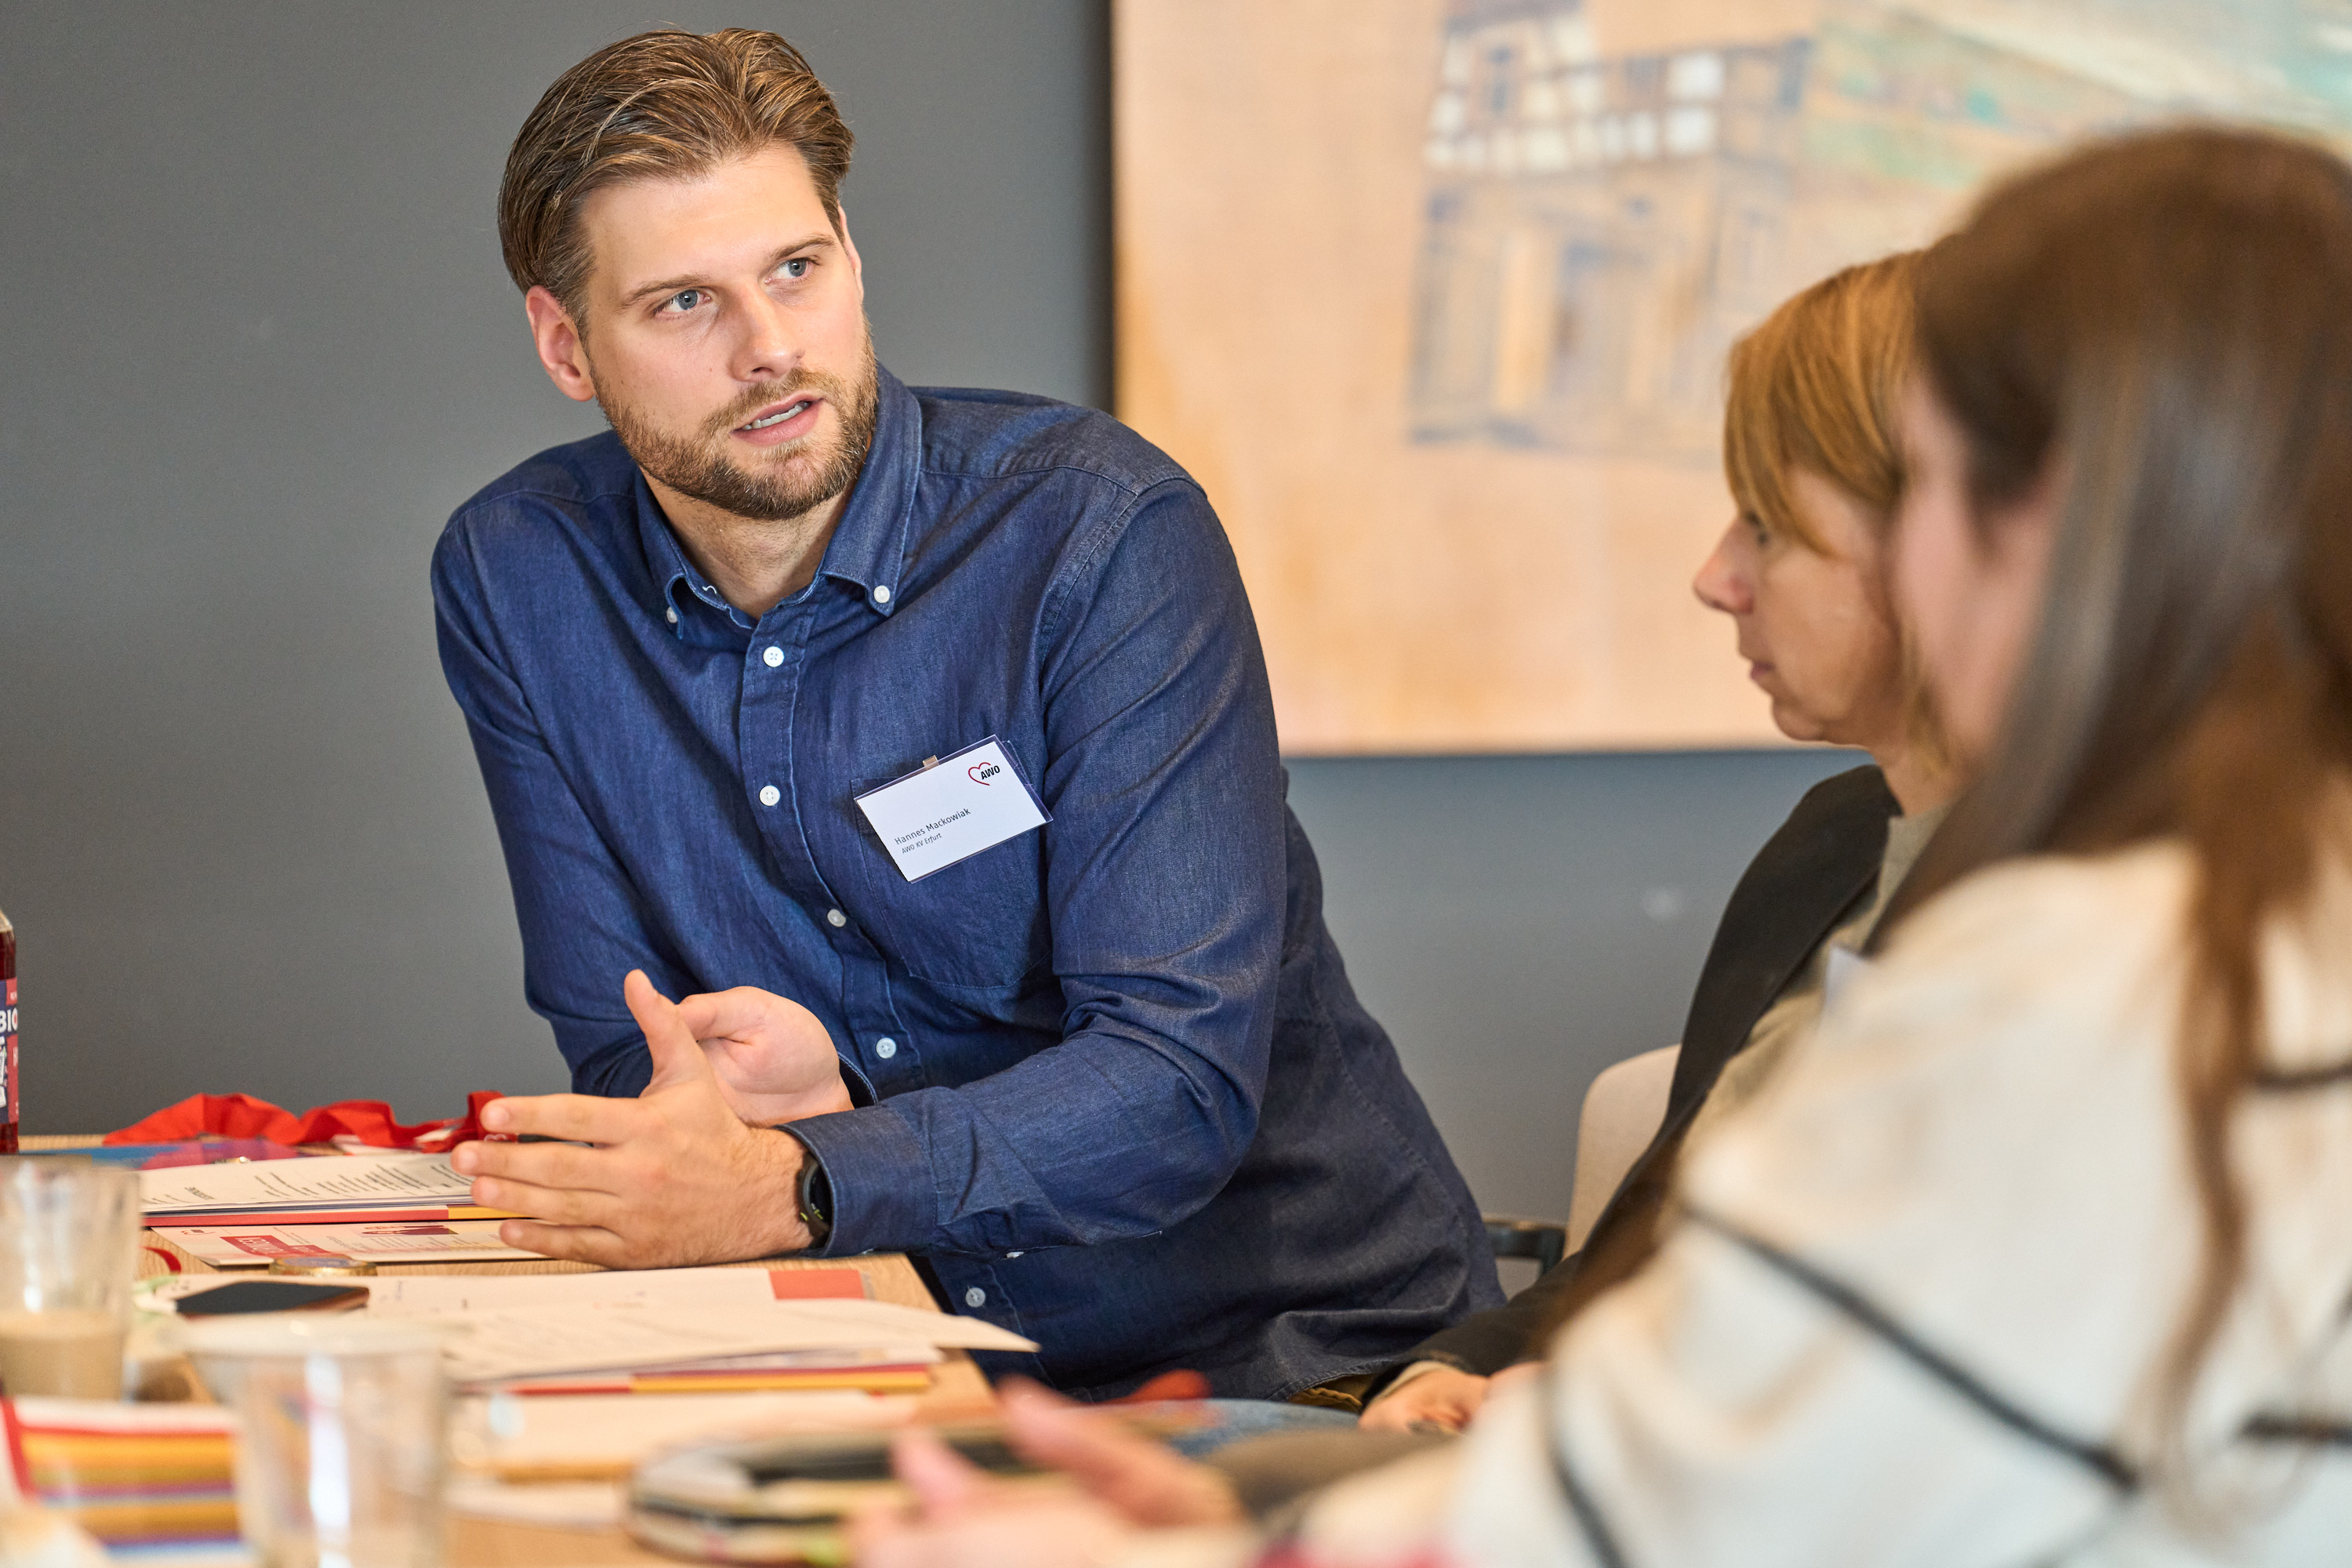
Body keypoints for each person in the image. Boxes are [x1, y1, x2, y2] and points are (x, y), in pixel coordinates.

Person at [850, 124, 2352, 1564]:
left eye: (1933, 490)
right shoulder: (2236, 928)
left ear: (2059, 534)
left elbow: (1702, 1519)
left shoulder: (2080, 989)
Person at [430, 27, 1500, 1401]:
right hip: (883, 1357)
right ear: (567, 344)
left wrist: (808, 1173)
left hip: (1279, 1366)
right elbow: (631, 1043)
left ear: (852, 262)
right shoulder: (522, 575)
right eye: (685, 304)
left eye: (796, 272)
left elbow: (1175, 1084)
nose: (770, 351)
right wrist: (765, 1134)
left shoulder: (1098, 538)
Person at [1362, 250, 1958, 1434]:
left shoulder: (2114, 937)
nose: (1714, 579)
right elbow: (1634, 1259)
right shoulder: (1836, 843)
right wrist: (1438, 1379)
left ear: (1956, 544)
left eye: (1770, 525)